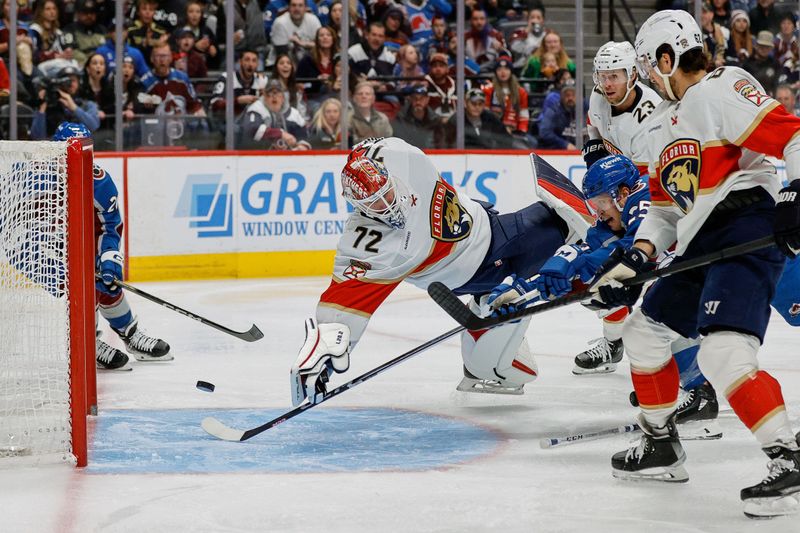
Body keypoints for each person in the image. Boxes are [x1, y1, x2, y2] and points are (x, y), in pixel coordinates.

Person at [589, 10, 800, 518]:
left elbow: (793, 135)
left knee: (723, 352)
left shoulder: (722, 86)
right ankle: (661, 444)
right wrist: (635, 258)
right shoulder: (664, 123)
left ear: (667, 58)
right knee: (642, 333)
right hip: (698, 241)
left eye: (647, 66)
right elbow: (664, 209)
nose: (646, 78)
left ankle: (788, 458)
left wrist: (795, 191)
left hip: (746, 227)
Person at [289, 136, 582, 406]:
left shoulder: (397, 156)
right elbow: (342, 307)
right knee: (571, 231)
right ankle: (491, 336)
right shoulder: (368, 245)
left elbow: (365, 149)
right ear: (357, 206)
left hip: (488, 225)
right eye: (374, 203)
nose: (387, 204)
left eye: (387, 192)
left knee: (574, 234)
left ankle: (487, 326)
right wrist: (322, 356)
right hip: (481, 265)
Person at [53, 122, 171, 370]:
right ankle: (88, 343)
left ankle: (130, 333)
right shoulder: (39, 180)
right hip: (44, 251)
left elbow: (110, 227)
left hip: (82, 246)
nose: (82, 156)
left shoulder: (100, 183)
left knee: (105, 280)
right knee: (82, 285)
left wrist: (108, 257)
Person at [30, 64, 100, 139]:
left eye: (73, 80)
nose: (70, 84)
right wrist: (42, 107)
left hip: (80, 147)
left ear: (79, 83)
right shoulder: (49, 106)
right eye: (66, 81)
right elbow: (37, 137)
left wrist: (74, 108)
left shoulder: (88, 105)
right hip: (55, 148)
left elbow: (93, 126)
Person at [239, 79, 310, 150]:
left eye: (277, 92)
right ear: (265, 96)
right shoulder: (256, 108)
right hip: (258, 155)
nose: (274, 96)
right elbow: (252, 130)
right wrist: (281, 134)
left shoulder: (293, 113)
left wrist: (302, 145)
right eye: (270, 93)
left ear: (283, 97)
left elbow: (304, 133)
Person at [441, 87, 514, 149]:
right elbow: (446, 143)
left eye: (480, 104)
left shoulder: (491, 118)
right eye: (473, 104)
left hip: (489, 158)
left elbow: (506, 140)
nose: (477, 107)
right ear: (465, 104)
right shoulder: (456, 120)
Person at [483, 53, 531, 143]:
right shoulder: (489, 90)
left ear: (511, 71)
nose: (503, 72)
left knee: (531, 142)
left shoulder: (521, 92)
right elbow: (485, 114)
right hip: (493, 132)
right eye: (499, 69)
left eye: (506, 69)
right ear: (495, 72)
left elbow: (523, 116)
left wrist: (521, 131)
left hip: (515, 131)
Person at [210, 49, 265, 118]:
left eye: (254, 61)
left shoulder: (261, 80)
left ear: (257, 64)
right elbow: (215, 104)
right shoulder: (227, 77)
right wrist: (237, 101)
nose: (250, 64)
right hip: (227, 120)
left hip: (251, 122)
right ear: (240, 62)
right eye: (247, 60)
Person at [537, 79, 579, 149]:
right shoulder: (553, 110)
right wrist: (565, 144)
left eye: (573, 95)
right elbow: (544, 132)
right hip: (557, 151)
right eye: (567, 95)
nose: (570, 98)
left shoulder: (586, 109)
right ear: (561, 96)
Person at [126, 0, 169, 68]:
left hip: (155, 67)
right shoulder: (130, 30)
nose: (147, 13)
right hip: (134, 66)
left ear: (154, 12)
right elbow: (127, 50)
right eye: (144, 9)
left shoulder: (161, 31)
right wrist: (145, 44)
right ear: (138, 12)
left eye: (151, 10)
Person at [742, 30, 781, 95]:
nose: (764, 49)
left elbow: (777, 84)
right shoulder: (747, 64)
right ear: (756, 46)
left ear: (771, 48)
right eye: (762, 46)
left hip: (770, 99)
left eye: (767, 47)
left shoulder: (775, 64)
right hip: (751, 97)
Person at [424, 52, 456, 121]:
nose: (438, 69)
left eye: (441, 66)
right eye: (435, 66)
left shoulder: (455, 85)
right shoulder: (425, 85)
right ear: (430, 69)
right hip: (431, 124)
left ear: (447, 69)